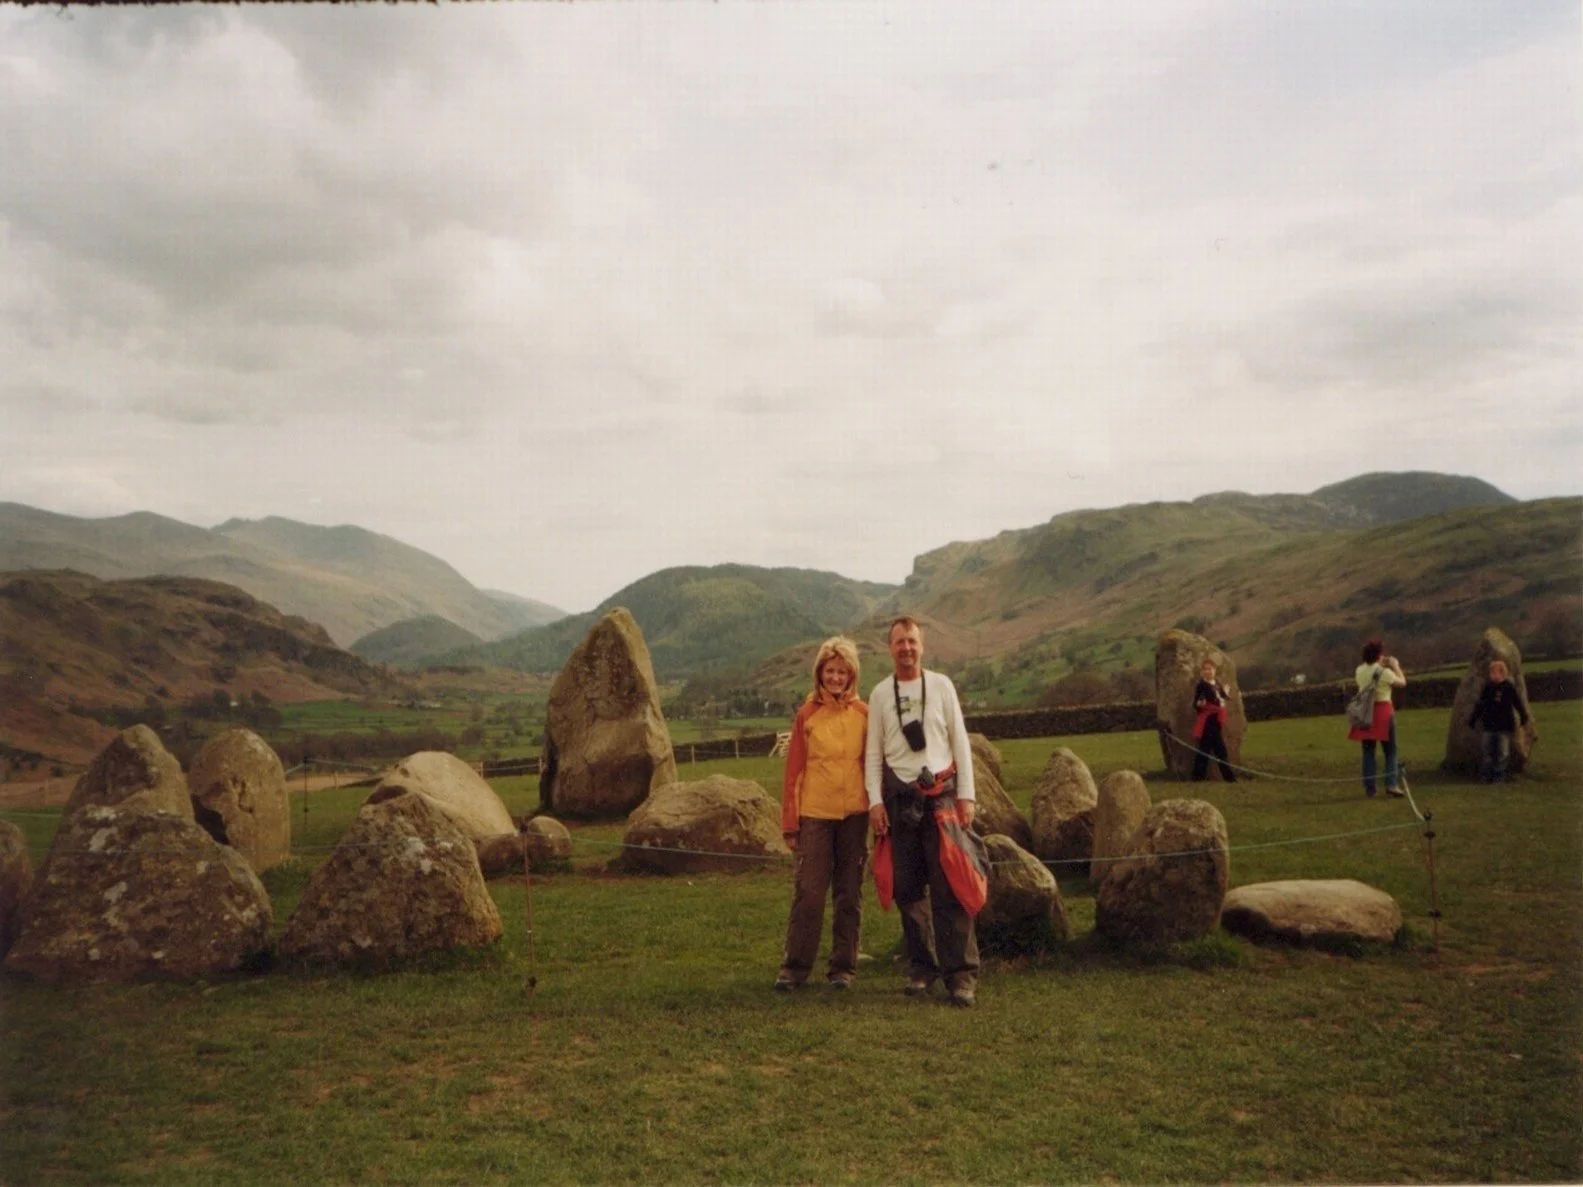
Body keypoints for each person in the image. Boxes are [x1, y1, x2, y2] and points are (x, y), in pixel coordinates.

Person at [865, 615, 980, 1007]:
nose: (906, 648)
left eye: (912, 641)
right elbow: (872, 754)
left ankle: (961, 976)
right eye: (899, 642)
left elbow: (960, 741)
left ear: (922, 644)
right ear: (890, 647)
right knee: (908, 889)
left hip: (942, 797)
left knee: (950, 885)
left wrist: (967, 794)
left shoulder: (942, 686)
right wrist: (875, 802)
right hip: (899, 802)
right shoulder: (881, 694)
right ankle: (921, 969)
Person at [775, 636, 870, 991]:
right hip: (815, 813)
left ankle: (843, 969)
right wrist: (790, 822)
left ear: (851, 675)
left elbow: (871, 764)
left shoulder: (864, 713)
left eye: (842, 671)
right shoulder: (807, 715)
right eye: (830, 671)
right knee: (810, 893)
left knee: (849, 893)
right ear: (820, 673)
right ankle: (794, 968)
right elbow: (794, 772)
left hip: (855, 814)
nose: (835, 677)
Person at [1347, 640, 1406, 798]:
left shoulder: (1359, 670)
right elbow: (1402, 683)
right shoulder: (1385, 672)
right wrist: (1395, 665)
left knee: (1368, 751)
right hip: (1384, 711)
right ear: (1379, 655)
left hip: (1366, 712)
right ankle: (1391, 784)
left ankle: (1370, 787)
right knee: (1390, 750)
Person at [1466, 659, 1531, 784]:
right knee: (1487, 753)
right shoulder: (1487, 688)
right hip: (1488, 726)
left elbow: (1517, 703)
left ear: (1502, 673)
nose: (1491, 675)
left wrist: (1524, 716)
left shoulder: (1508, 688)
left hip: (1504, 726)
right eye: (1490, 672)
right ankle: (1486, 776)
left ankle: (1499, 777)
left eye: (1493, 672)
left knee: (1503, 753)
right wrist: (1472, 719)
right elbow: (1480, 705)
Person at [1190, 658, 1237, 783]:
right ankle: (1230, 778)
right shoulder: (1201, 685)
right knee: (1219, 749)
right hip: (1209, 720)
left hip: (1216, 719)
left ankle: (1197, 777)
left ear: (1214, 670)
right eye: (1204, 669)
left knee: (1204, 749)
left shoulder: (1216, 683)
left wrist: (1225, 693)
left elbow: (1222, 698)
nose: (1207, 671)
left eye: (1209, 669)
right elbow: (1197, 703)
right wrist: (1200, 703)